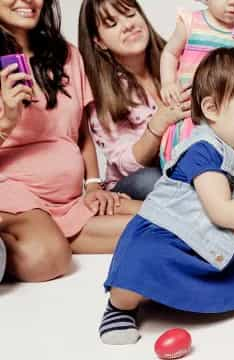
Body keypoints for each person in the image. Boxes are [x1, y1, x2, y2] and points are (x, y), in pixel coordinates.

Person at [98, 48, 234, 345]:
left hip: (213, 242)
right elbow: (222, 210)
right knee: (139, 268)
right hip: (171, 240)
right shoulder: (203, 149)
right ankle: (119, 308)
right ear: (212, 109)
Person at [0, 0, 135, 282]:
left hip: (70, 200)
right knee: (48, 259)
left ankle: (52, 232)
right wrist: (6, 121)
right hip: (14, 193)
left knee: (159, 220)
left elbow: (82, 131)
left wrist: (94, 185)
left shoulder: (67, 55)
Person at [78, 0, 191, 200]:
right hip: (136, 181)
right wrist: (157, 126)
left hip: (188, 165)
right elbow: (125, 165)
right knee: (154, 179)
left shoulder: (177, 61)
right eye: (112, 23)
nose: (128, 25)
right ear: (99, 41)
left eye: (130, 14)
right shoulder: (102, 92)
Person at [158, 0, 234, 166]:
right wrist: (168, 83)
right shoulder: (191, 23)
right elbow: (170, 53)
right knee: (190, 163)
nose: (233, 3)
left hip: (232, 118)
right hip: (192, 114)